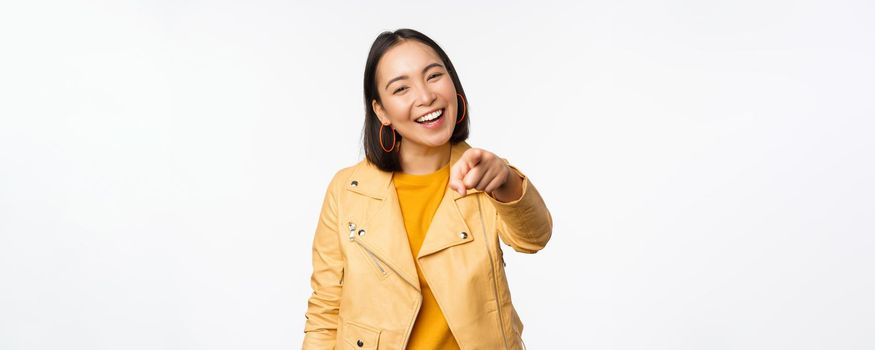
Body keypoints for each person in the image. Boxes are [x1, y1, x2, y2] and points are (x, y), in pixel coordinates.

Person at [302, 28, 553, 350]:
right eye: (401, 88)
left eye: (434, 76)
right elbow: (325, 307)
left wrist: (505, 181)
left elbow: (534, 238)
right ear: (381, 111)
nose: (425, 97)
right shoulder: (347, 189)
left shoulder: (487, 174)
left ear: (453, 83)